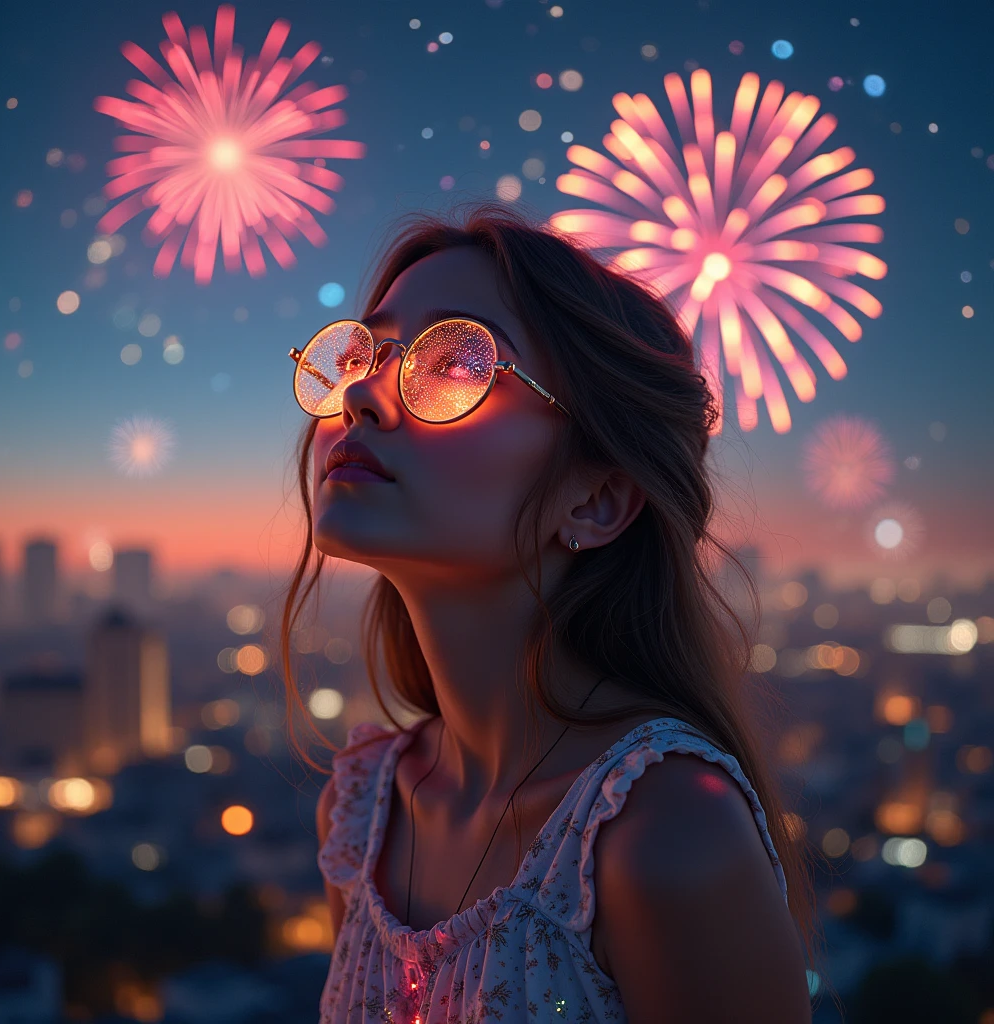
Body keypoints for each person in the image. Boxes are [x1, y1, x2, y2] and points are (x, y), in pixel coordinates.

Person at [278, 200, 820, 1022]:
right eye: (363, 354)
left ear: (597, 498)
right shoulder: (361, 813)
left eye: (454, 363)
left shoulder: (664, 838)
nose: (363, 399)